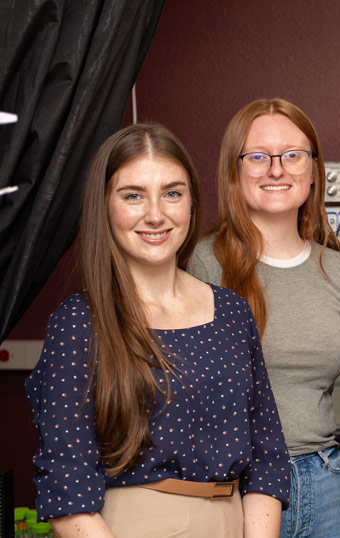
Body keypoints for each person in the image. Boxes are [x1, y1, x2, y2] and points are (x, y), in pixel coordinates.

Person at [26, 123, 290, 538]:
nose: (155, 214)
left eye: (172, 193)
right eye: (133, 195)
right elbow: (67, 489)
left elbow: (269, 459)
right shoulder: (79, 323)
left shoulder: (232, 314)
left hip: (234, 520)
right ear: (105, 206)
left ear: (191, 203)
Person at [187, 98, 340, 538]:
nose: (277, 169)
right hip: (234, 485)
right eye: (259, 156)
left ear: (313, 168)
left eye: (292, 155)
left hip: (326, 482)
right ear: (235, 169)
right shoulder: (204, 267)